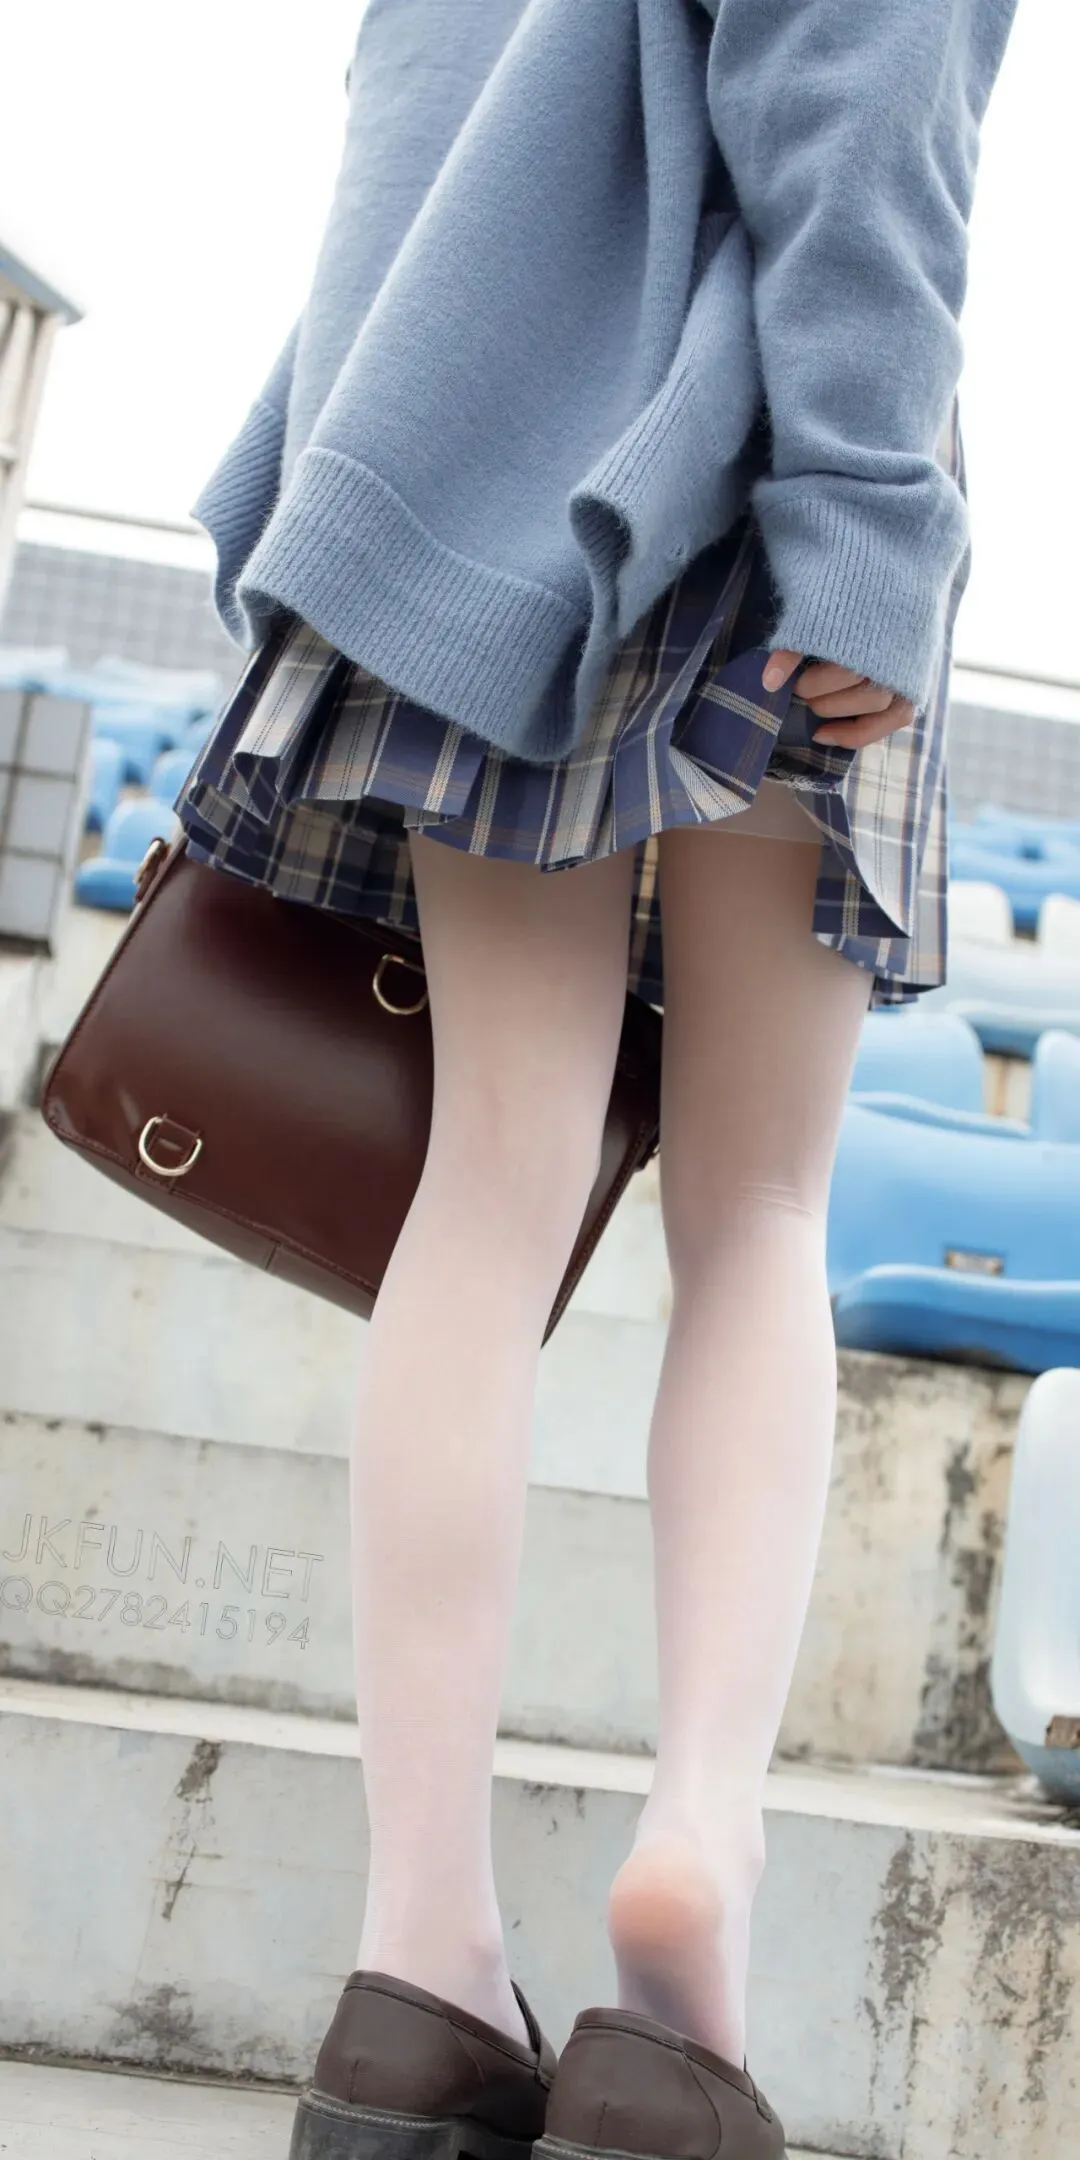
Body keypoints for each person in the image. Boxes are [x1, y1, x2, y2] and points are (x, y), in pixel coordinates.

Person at [177, 3, 1019, 2154]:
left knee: (492, 1172)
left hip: (478, 475)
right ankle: (696, 1859)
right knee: (758, 1211)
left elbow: (414, 103)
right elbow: (862, 83)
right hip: (755, 480)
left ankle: (418, 1957)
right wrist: (869, 509)